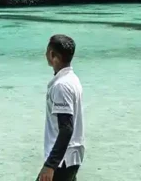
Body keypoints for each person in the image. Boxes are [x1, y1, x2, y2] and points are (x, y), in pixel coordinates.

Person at [39, 34, 84, 181]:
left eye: (47, 51)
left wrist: (50, 165)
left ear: (53, 55)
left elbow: (66, 128)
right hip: (71, 157)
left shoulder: (61, 86)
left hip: (62, 162)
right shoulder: (73, 79)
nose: (45, 54)